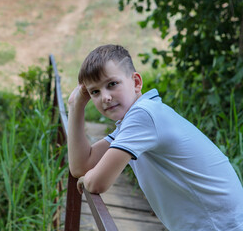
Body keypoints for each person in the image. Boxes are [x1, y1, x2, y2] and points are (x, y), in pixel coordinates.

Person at [67, 44, 243, 230]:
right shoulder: (134, 119)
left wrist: (88, 179)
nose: (105, 97)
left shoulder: (144, 115)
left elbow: (97, 183)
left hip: (221, 225)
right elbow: (81, 166)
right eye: (95, 92)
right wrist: (75, 105)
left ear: (136, 82)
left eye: (112, 84)